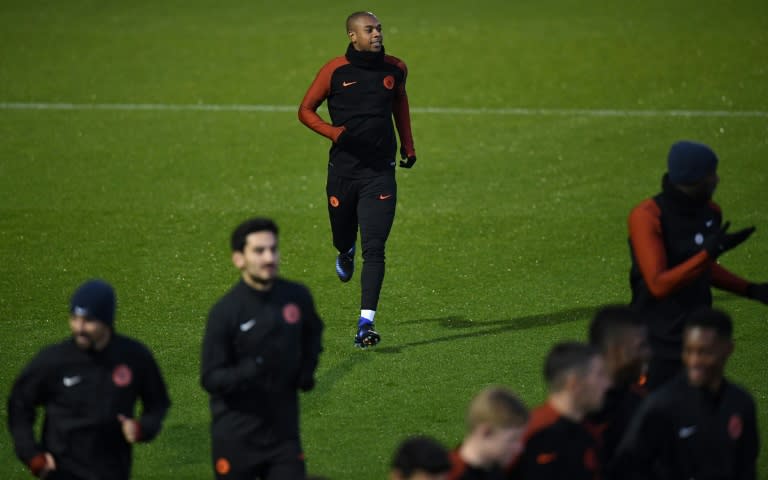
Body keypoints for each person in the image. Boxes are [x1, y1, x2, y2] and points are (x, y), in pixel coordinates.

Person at [298, 10, 417, 348]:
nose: (377, 33)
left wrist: (408, 145)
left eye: (379, 28)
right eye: (369, 30)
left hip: (380, 173)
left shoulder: (396, 69)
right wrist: (334, 133)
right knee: (343, 235)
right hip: (343, 173)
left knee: (376, 248)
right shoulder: (335, 71)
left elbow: (400, 104)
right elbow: (305, 110)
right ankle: (344, 250)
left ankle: (366, 323)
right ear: (353, 36)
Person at [628, 140, 768, 389]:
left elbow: (699, 268)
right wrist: (708, 253)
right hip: (655, 340)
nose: (716, 179)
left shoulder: (711, 212)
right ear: (693, 178)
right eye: (710, 174)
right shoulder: (647, 216)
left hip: (699, 337)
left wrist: (750, 289)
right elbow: (658, 284)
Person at [8, 279, 171, 480]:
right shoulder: (54, 361)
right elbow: (19, 403)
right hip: (62, 472)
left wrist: (142, 428)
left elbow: (158, 402)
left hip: (112, 471)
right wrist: (32, 455)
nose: (79, 328)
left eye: (88, 321)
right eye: (75, 318)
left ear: (107, 321)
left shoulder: (134, 357)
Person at [200, 217, 324, 480]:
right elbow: (211, 378)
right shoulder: (226, 312)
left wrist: (306, 370)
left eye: (273, 249)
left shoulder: (296, 296)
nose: (269, 258)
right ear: (239, 259)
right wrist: (254, 368)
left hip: (283, 435)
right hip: (236, 437)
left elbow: (314, 331)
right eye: (259, 251)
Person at [611, 307, 759, 480]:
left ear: (728, 349)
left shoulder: (741, 403)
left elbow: (746, 468)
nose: (694, 361)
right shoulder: (661, 406)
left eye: (704, 352)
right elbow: (626, 466)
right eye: (689, 351)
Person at [508, 342, 610, 480]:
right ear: (574, 384)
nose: (607, 384)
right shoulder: (528, 434)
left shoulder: (595, 431)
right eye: (599, 375)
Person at [584, 305, 651, 464]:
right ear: (615, 350)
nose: (648, 353)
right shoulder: (573, 414)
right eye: (640, 347)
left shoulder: (646, 404)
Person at [448, 387, 529, 480]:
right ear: (486, 433)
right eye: (512, 439)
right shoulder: (447, 475)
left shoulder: (504, 471)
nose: (519, 448)